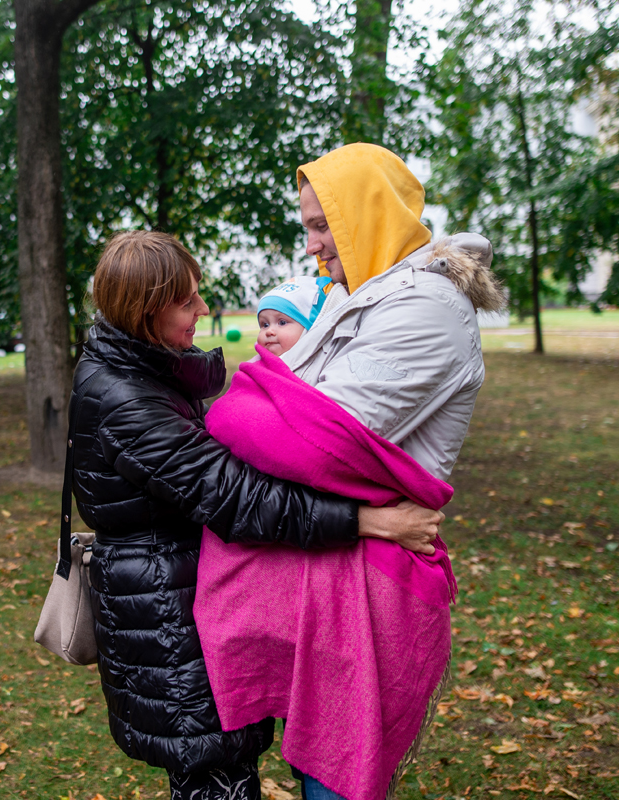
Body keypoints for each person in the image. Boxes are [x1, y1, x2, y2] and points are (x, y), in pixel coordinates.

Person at [69, 230, 443, 800]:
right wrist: (371, 521)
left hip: (169, 597)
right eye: (187, 299)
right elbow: (236, 497)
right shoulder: (129, 401)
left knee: (222, 769)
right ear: (147, 311)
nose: (202, 308)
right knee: (214, 776)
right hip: (165, 616)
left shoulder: (142, 373)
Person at [195, 143, 504, 800]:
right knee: (316, 768)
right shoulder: (362, 296)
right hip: (336, 564)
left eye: (319, 223)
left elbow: (311, 446)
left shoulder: (425, 306)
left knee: (340, 776)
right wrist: (265, 398)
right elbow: (291, 416)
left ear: (364, 213)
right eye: (307, 225)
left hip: (374, 584)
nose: (313, 247)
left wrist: (246, 395)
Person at [255, 276, 331, 356]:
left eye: (282, 322)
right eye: (265, 325)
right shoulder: (254, 365)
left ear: (310, 328)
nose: (269, 331)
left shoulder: (324, 363)